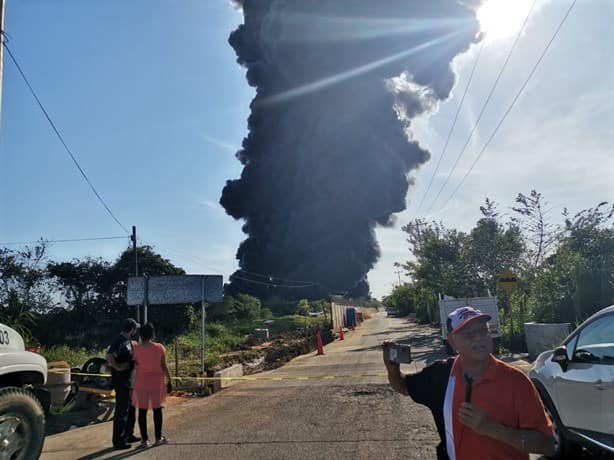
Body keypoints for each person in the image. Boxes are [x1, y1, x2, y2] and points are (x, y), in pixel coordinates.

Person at [383, 306, 555, 460]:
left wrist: (495, 430)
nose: (479, 338)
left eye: (483, 331)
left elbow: (547, 445)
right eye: (469, 334)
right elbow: (403, 386)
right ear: (452, 341)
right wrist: (392, 368)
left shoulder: (516, 381)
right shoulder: (440, 375)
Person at [131, 322, 172, 448]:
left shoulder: (136, 349)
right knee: (157, 410)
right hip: (156, 383)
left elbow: (135, 365)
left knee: (142, 412)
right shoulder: (159, 347)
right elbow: (164, 366)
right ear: (152, 334)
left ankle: (144, 440)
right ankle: (158, 438)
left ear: (140, 335)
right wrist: (169, 380)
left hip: (141, 383)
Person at [106, 318, 140, 449]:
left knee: (131, 410)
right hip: (122, 382)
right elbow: (109, 356)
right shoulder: (119, 341)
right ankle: (118, 441)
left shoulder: (128, 341)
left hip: (130, 381)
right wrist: (118, 367)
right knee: (122, 412)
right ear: (132, 329)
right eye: (135, 328)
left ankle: (128, 434)